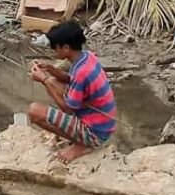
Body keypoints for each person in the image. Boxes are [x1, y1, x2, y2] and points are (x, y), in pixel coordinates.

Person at [27, 21, 116, 164]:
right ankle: (80, 138)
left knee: (34, 111)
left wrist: (44, 80)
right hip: (104, 124)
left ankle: (83, 144)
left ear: (66, 47)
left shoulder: (82, 72)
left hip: (95, 133)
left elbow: (67, 108)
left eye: (55, 48)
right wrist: (49, 69)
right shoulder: (86, 57)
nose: (54, 51)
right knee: (54, 82)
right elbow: (69, 79)